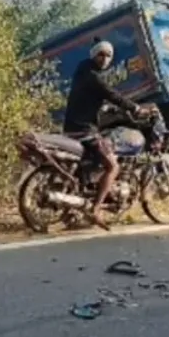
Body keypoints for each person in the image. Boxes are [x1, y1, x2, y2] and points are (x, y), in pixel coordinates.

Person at [62, 38, 141, 229]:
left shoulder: (83, 71)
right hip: (84, 130)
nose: (105, 58)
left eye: (109, 55)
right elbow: (111, 94)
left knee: (90, 166)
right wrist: (136, 108)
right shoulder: (92, 75)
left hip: (71, 128)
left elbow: (94, 98)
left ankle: (78, 207)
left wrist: (105, 109)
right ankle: (95, 209)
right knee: (113, 166)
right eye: (101, 54)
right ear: (94, 54)